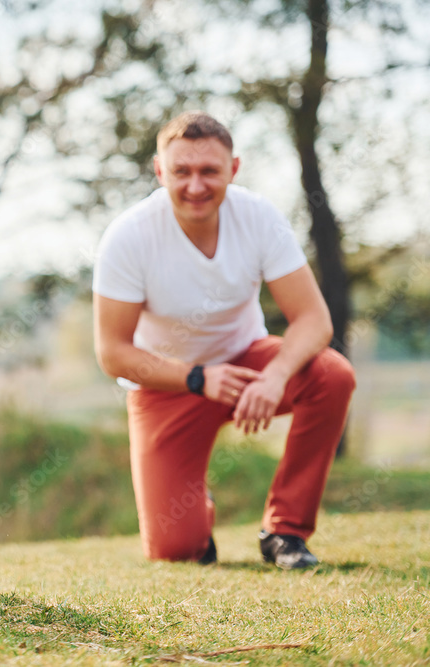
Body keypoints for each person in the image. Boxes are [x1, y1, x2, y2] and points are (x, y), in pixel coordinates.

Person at [92, 111, 356, 569]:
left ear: (233, 169)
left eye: (209, 171)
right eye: (182, 172)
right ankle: (193, 505)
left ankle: (285, 531)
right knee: (174, 550)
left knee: (333, 376)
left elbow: (314, 320)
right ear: (160, 171)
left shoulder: (258, 217)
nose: (195, 185)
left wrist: (274, 377)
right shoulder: (128, 236)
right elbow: (113, 353)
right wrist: (197, 378)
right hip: (168, 384)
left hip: (247, 364)